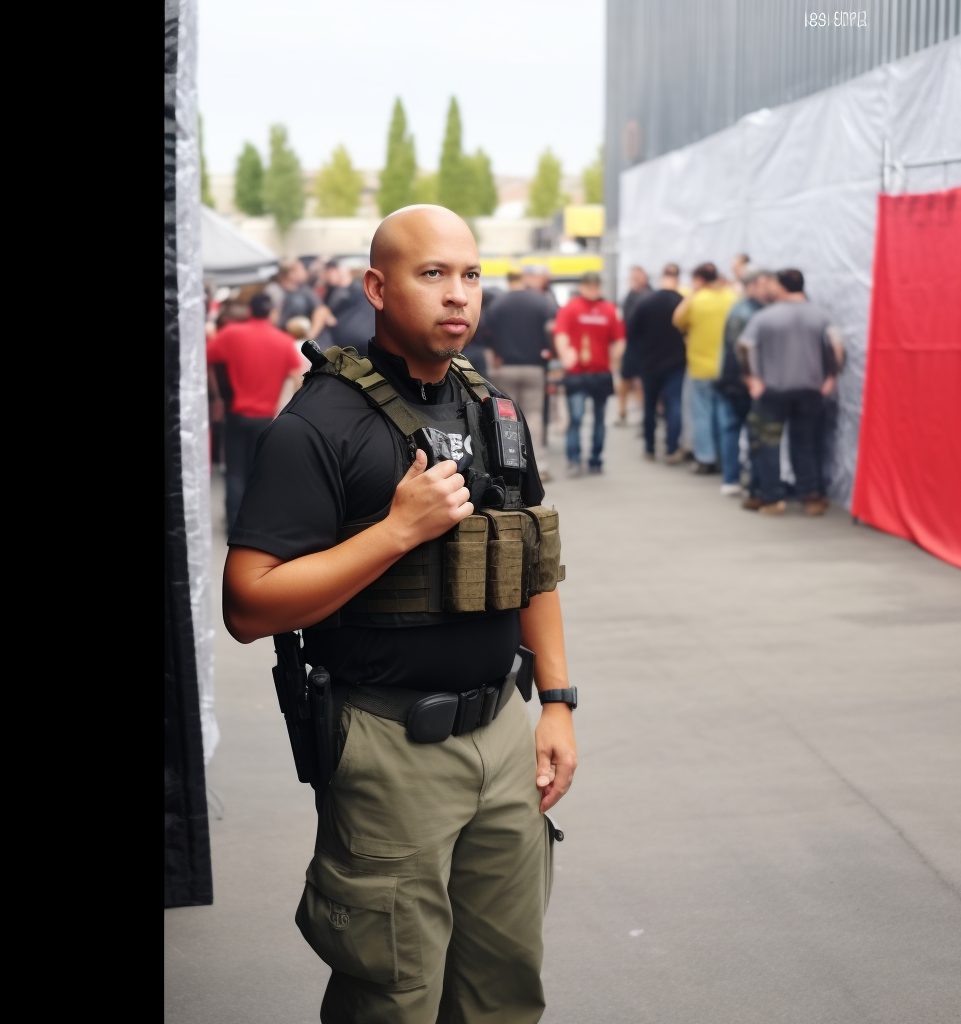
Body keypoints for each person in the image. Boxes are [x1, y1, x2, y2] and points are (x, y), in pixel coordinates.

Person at [221, 204, 577, 1024]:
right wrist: (396, 532)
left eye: (471, 275)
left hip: (502, 735)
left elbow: (533, 563)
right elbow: (249, 604)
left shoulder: (493, 410)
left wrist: (556, 704)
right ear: (378, 288)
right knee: (393, 995)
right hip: (389, 747)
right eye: (432, 274)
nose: (459, 295)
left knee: (504, 984)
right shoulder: (319, 424)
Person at [736, 268, 840, 515]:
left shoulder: (765, 317)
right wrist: (831, 378)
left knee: (766, 443)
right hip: (811, 391)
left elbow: (743, 347)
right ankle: (811, 495)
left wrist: (752, 380)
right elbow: (837, 347)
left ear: (780, 287)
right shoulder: (822, 315)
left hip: (773, 392)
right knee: (807, 444)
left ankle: (771, 497)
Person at [206, 292, 310, 531]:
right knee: (259, 472)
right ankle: (252, 526)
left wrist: (218, 398)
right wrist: (289, 411)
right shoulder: (283, 341)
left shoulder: (231, 334)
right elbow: (298, 378)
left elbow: (209, 358)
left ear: (250, 311)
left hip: (236, 413)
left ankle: (233, 525)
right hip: (266, 418)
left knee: (234, 471)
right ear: (272, 312)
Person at [486, 263, 558, 475]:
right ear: (525, 278)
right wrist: (551, 353)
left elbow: (486, 332)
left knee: (507, 419)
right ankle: (539, 468)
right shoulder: (541, 302)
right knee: (534, 415)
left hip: (504, 368)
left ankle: (508, 467)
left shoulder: (498, 303)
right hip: (535, 367)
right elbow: (552, 330)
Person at [553, 270, 626, 476]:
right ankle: (574, 459)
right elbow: (561, 334)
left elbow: (619, 340)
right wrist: (565, 356)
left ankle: (596, 458)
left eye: (596, 286)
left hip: (600, 372)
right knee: (576, 417)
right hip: (577, 373)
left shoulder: (609, 310)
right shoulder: (571, 309)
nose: (593, 290)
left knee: (600, 418)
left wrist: (613, 361)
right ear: (583, 286)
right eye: (589, 286)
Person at [672, 262, 738, 475]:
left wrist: (693, 294)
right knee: (725, 416)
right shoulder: (731, 297)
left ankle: (705, 458)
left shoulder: (696, 300)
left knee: (701, 415)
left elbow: (677, 320)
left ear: (698, 280)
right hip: (726, 368)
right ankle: (723, 457)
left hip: (700, 367)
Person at [714, 266, 773, 496]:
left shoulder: (749, 310)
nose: (768, 287)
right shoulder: (747, 312)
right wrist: (749, 379)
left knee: (735, 429)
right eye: (764, 283)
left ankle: (736, 478)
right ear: (752, 286)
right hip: (740, 382)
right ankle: (739, 479)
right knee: (741, 429)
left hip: (737, 379)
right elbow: (739, 350)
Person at [629, 264, 687, 463]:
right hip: (677, 363)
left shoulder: (645, 302)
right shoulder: (683, 302)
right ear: (677, 279)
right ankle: (672, 448)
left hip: (649, 362)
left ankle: (649, 447)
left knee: (649, 407)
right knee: (674, 405)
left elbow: (632, 334)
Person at [615, 266, 653, 428]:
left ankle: (643, 413)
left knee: (641, 382)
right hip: (631, 345)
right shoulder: (630, 295)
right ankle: (623, 411)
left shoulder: (648, 295)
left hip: (644, 346)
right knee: (626, 379)